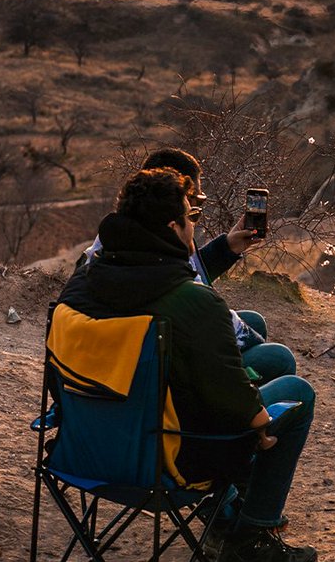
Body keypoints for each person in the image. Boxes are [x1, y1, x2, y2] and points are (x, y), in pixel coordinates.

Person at [59, 166, 317, 562]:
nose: (193, 226)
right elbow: (229, 393)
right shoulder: (188, 302)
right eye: (189, 217)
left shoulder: (81, 289)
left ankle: (226, 517)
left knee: (261, 366)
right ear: (172, 227)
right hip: (168, 457)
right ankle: (248, 539)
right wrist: (261, 424)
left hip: (89, 445)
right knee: (295, 394)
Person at [85, 147, 297, 384]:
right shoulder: (165, 254)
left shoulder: (114, 241)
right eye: (195, 202)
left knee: (253, 320)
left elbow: (178, 273)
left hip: (130, 354)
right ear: (176, 195)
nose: (197, 212)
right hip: (163, 373)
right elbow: (184, 287)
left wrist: (227, 248)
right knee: (280, 359)